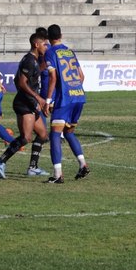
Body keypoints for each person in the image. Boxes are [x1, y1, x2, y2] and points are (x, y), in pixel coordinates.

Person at [0, 34, 51, 179]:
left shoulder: (35, 60)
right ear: (36, 45)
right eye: (44, 44)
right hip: (24, 104)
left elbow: (23, 78)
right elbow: (21, 83)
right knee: (26, 138)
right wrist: (37, 98)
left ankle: (33, 167)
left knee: (43, 135)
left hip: (31, 103)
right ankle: (0, 161)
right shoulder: (30, 60)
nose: (46, 47)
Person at [44, 24, 90, 184]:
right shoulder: (69, 51)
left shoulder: (50, 52)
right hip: (78, 96)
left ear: (48, 38)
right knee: (69, 132)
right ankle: (83, 164)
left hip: (65, 99)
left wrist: (48, 100)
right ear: (61, 35)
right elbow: (81, 76)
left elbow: (53, 78)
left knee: (55, 135)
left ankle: (57, 175)